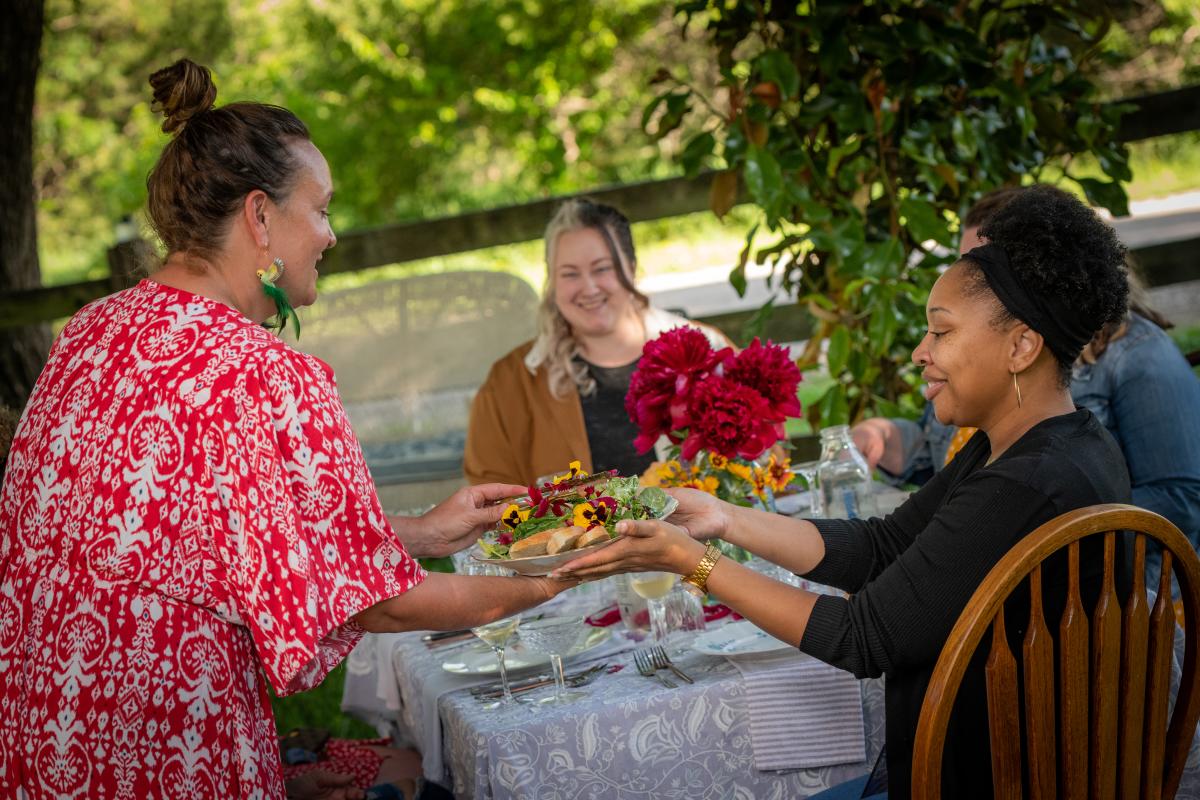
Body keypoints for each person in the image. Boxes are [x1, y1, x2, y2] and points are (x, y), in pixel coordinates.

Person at [0, 59, 574, 800]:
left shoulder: (92, 332)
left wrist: (424, 533)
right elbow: (382, 603)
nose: (331, 235)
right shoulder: (265, 373)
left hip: (44, 736)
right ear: (260, 216)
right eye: (323, 208)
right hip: (172, 746)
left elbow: (209, 537)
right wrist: (560, 574)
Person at [554, 185, 1132, 798]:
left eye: (941, 332)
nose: (921, 353)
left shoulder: (1028, 483)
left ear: (1021, 346)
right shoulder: (1045, 444)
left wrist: (688, 562)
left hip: (1002, 779)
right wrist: (722, 518)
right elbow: (883, 546)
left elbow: (861, 637)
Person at [854, 187, 1200, 588]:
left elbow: (1182, 498)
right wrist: (886, 435)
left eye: (985, 268)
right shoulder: (979, 364)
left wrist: (1030, 522)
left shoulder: (1137, 356)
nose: (968, 280)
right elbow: (944, 452)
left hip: (1127, 603)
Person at [463, 198, 730, 486]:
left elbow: (760, 465)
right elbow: (489, 494)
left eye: (602, 268)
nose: (589, 288)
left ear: (631, 267)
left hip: (694, 532)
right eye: (570, 274)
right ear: (552, 281)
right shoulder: (510, 383)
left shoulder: (707, 351)